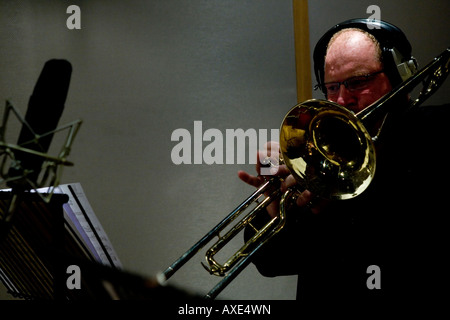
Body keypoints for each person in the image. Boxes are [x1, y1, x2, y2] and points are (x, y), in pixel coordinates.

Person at [239, 18, 449, 307]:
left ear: (401, 75)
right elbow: (272, 263)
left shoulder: (439, 131)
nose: (340, 99)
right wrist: (273, 205)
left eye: (357, 82)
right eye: (331, 87)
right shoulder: (321, 154)